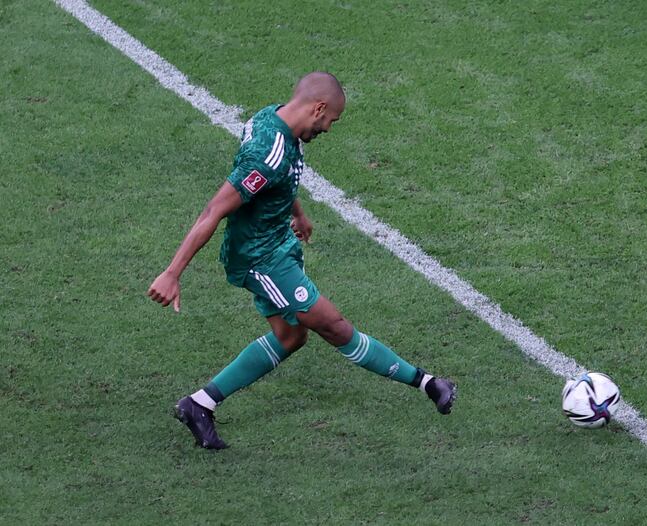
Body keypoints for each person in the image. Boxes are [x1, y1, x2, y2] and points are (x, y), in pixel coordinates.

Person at [147, 71, 456, 449]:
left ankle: (199, 404)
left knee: (291, 337)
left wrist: (296, 211)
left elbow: (280, 177)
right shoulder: (267, 152)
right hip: (260, 259)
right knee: (335, 326)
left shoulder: (274, 118)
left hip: (277, 244)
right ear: (319, 108)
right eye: (331, 121)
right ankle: (427, 383)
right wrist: (172, 272)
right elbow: (214, 210)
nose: (328, 128)